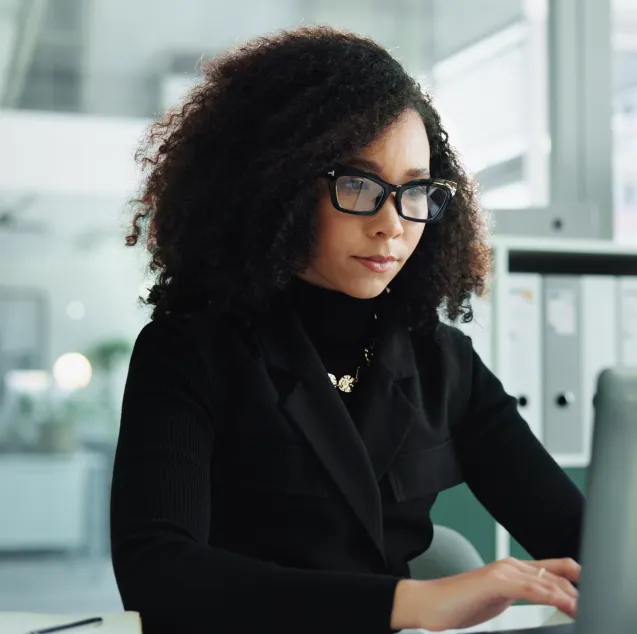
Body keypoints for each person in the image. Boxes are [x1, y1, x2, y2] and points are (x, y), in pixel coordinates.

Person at [111, 26, 584, 634]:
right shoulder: (190, 350)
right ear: (276, 186)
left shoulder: (442, 362)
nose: (393, 224)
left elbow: (578, 537)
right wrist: (408, 604)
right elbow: (159, 572)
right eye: (358, 184)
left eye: (414, 189)